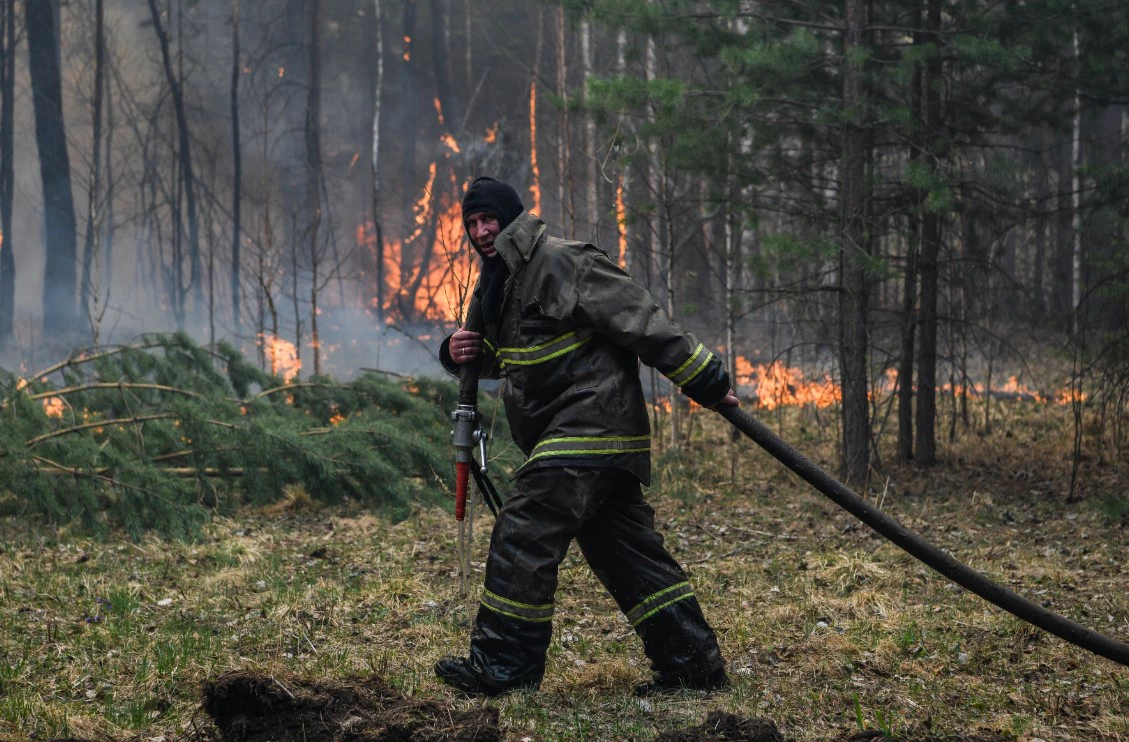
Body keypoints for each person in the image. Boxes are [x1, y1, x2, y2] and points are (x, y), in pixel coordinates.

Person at [435, 176, 739, 697]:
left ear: (513, 218)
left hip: (594, 423)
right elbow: (524, 356)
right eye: (473, 224)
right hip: (570, 433)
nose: (482, 231)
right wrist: (460, 354)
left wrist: (706, 380)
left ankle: (504, 669)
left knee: (526, 523)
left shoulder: (564, 261)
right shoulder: (499, 283)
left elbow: (642, 320)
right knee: (623, 549)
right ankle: (691, 664)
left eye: (490, 220)